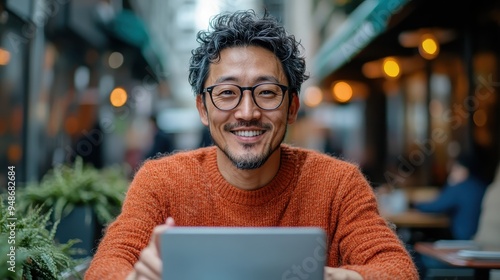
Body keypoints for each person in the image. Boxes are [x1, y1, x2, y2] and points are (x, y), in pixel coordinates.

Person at [85, 10, 418, 280]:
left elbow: (397, 270)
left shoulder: (338, 185)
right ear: (203, 108)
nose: (247, 113)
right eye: (227, 93)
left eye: (267, 92)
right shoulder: (161, 181)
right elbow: (105, 268)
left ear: (292, 108)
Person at [414, 155, 487, 240]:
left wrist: (417, 204)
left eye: (454, 170)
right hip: (478, 237)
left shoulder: (460, 188)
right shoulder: (481, 186)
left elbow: (436, 206)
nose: (451, 173)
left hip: (462, 239)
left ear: (464, 170)